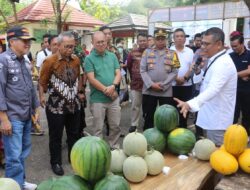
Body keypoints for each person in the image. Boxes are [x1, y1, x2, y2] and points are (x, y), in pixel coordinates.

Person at [174, 27, 237, 146]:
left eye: (206, 44)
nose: (202, 47)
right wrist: (198, 71)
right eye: (202, 43)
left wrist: (189, 104)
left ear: (218, 44)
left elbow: (213, 89)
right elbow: (207, 81)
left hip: (217, 121)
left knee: (218, 157)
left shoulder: (223, 63)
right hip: (211, 117)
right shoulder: (216, 59)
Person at [39, 31, 84, 176]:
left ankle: (73, 158)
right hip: (55, 106)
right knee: (56, 136)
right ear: (58, 45)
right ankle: (56, 162)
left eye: (72, 46)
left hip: (74, 105)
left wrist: (80, 92)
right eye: (67, 46)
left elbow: (79, 77)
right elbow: (42, 81)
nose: (70, 49)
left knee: (74, 133)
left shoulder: (76, 60)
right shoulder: (49, 61)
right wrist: (42, 96)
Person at [0, 26, 39, 190]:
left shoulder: (25, 60)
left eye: (29, 40)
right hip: (12, 117)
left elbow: (30, 87)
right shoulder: (3, 60)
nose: (28, 43)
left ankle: (19, 182)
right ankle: (12, 186)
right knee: (13, 157)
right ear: (12, 41)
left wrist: (35, 108)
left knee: (22, 153)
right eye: (24, 40)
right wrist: (3, 119)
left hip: (25, 116)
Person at [85, 31, 122, 148]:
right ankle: (98, 150)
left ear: (106, 41)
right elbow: (91, 79)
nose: (101, 44)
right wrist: (107, 90)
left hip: (113, 99)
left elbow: (118, 73)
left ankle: (114, 146)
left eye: (102, 42)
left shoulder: (112, 56)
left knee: (115, 126)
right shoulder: (89, 59)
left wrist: (113, 86)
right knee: (98, 128)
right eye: (98, 42)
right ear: (92, 43)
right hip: (98, 100)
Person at [140, 29, 180, 130]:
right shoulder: (147, 52)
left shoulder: (173, 53)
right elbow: (142, 70)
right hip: (149, 90)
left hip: (165, 91)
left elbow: (175, 71)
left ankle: (165, 138)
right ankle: (148, 137)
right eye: (158, 39)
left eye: (163, 38)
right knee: (148, 116)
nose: (160, 41)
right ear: (154, 39)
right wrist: (151, 84)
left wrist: (164, 85)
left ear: (166, 39)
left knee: (166, 118)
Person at [171, 28, 194, 128]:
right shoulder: (170, 51)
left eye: (182, 36)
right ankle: (173, 128)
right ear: (173, 38)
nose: (180, 38)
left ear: (185, 39)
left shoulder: (190, 51)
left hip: (186, 85)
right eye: (177, 36)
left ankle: (183, 128)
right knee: (173, 109)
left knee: (185, 108)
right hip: (173, 85)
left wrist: (184, 78)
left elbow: (192, 67)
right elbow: (167, 68)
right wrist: (176, 79)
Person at [127, 33, 148, 132]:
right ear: (137, 41)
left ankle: (147, 122)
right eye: (141, 41)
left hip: (149, 85)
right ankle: (134, 124)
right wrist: (133, 77)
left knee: (148, 105)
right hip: (136, 84)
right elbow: (129, 66)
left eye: (144, 40)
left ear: (147, 41)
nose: (142, 42)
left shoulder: (151, 52)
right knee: (135, 105)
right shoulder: (132, 53)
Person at [230, 34, 250, 135]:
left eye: (235, 46)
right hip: (233, 91)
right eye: (232, 46)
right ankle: (232, 134)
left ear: (242, 44)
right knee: (233, 114)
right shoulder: (230, 56)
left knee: (247, 114)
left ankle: (246, 135)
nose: (233, 48)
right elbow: (227, 73)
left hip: (247, 91)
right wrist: (242, 74)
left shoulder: (249, 55)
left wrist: (234, 74)